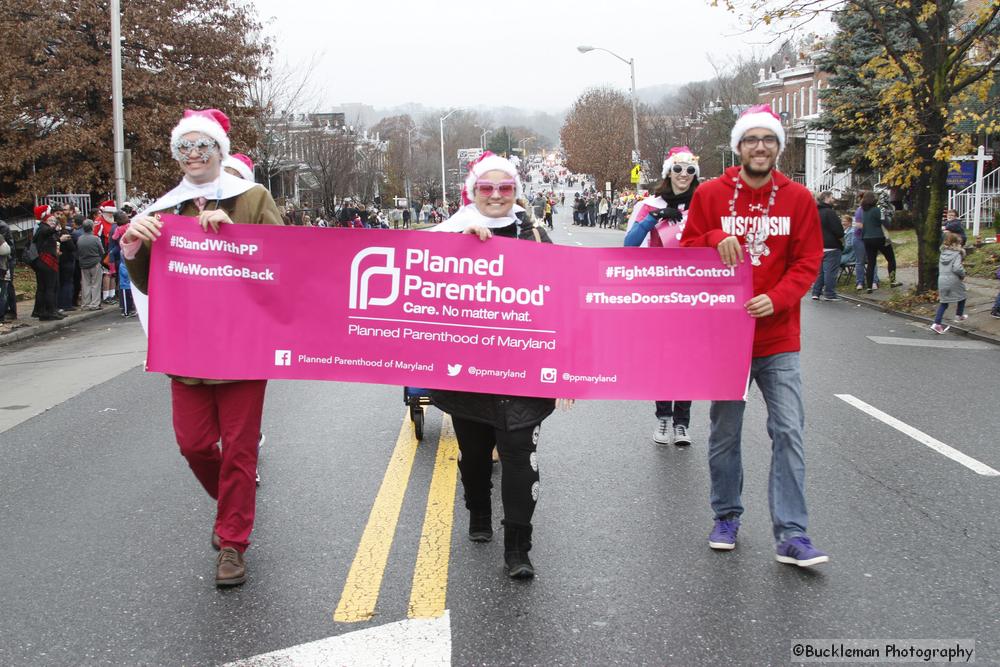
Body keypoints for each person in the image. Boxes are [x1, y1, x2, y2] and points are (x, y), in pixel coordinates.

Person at [120, 108, 283, 587]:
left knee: (238, 449)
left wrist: (237, 235)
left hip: (241, 346)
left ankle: (233, 542)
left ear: (219, 151)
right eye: (183, 148)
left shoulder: (252, 198)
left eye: (202, 146)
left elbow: (282, 259)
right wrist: (132, 244)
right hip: (187, 348)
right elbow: (152, 283)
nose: (192, 154)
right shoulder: (164, 209)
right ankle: (233, 506)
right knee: (193, 445)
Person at [681, 104, 829, 567]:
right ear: (738, 147)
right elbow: (684, 251)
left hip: (778, 339)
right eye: (751, 140)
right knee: (725, 434)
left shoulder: (798, 199)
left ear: (778, 148)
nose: (760, 147)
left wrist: (779, 298)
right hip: (726, 339)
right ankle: (726, 516)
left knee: (788, 432)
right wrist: (711, 239)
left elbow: (808, 261)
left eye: (768, 140)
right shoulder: (709, 195)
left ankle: (792, 534)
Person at [429, 152, 562, 579]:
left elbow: (562, 295)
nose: (496, 195)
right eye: (486, 188)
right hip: (468, 367)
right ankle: (479, 512)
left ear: (516, 192)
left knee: (520, 457)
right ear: (473, 192)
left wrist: (568, 365)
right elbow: (418, 275)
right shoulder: (450, 231)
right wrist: (458, 245)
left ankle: (518, 547)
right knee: (473, 454)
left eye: (505, 188)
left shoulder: (535, 233)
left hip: (523, 369)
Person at [624, 146, 701, 446]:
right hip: (657, 295)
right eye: (678, 169)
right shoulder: (648, 204)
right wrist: (654, 218)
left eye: (690, 170)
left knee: (687, 360)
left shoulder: (704, 204)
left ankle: (682, 423)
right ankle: (663, 418)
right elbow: (630, 245)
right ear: (669, 172)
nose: (683, 175)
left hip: (693, 295)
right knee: (662, 359)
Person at [860, 191, 899, 292]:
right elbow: (886, 223)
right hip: (879, 237)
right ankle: (893, 281)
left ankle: (869, 287)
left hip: (867, 238)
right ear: (874, 199)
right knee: (891, 259)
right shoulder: (878, 210)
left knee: (871, 263)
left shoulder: (863, 211)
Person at [31, 207, 64, 321]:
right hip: (46, 260)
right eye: (50, 220)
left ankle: (43, 310)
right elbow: (47, 232)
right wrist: (55, 228)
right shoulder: (43, 228)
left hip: (44, 260)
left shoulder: (41, 228)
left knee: (45, 287)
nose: (53, 221)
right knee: (50, 287)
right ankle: (49, 311)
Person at [810, 191, 845, 301]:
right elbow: (838, 231)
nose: (833, 199)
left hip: (818, 246)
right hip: (832, 246)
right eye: (831, 197)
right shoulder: (830, 212)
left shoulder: (815, 212)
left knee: (820, 271)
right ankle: (829, 293)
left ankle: (816, 292)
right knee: (830, 271)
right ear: (826, 198)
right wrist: (841, 238)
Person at [931, 231, 967, 334]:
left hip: (942, 280)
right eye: (959, 243)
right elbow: (957, 268)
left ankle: (937, 324)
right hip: (953, 279)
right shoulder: (957, 254)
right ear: (955, 244)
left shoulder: (942, 253)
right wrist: (963, 274)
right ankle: (959, 315)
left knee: (944, 303)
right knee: (962, 295)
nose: (960, 245)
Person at [76, 220, 105, 311]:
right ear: (92, 227)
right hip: (95, 262)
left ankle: (85, 304)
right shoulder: (95, 238)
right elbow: (102, 251)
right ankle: (95, 304)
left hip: (83, 263)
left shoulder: (80, 239)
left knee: (85, 284)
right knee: (96, 284)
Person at [0, 221, 14, 325]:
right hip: (3, 265)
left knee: (5, 289)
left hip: (4, 265)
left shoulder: (3, 227)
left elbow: (6, 249)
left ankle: (7, 312)